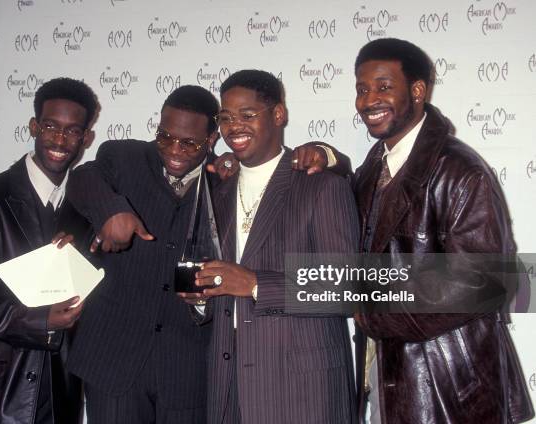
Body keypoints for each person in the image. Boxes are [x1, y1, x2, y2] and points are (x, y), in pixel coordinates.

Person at [65, 84, 333, 424]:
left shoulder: (227, 178)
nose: (174, 150)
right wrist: (110, 210)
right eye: (165, 137)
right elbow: (82, 178)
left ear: (211, 140)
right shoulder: (122, 157)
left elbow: (319, 170)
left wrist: (325, 152)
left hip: (189, 369)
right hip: (113, 360)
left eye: (189, 143)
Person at [351, 38, 534, 423]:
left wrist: (369, 312)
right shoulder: (373, 169)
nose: (369, 101)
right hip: (389, 376)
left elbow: (481, 282)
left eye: (384, 87)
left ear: (418, 91)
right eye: (362, 89)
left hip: (449, 387)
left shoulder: (460, 170)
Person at [194, 69, 359, 423]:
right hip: (228, 386)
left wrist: (254, 284)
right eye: (225, 118)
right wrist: (199, 298)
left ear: (279, 115)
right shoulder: (217, 192)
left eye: (247, 115)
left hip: (302, 390)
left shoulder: (321, 186)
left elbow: (345, 289)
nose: (233, 127)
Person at [0, 77, 98, 423]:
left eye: (73, 131)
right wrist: (38, 321)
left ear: (86, 138)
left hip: (62, 387)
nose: (60, 140)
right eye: (50, 126)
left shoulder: (85, 211)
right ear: (34, 126)